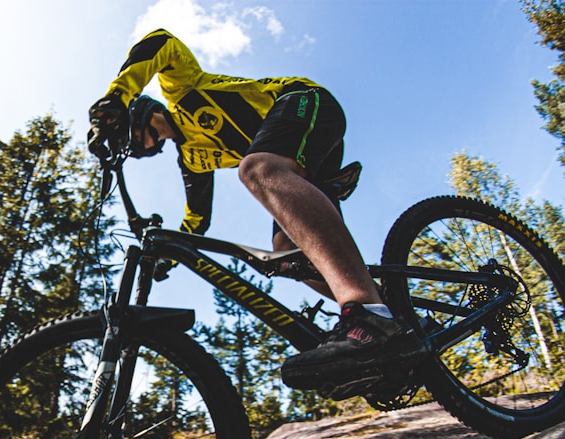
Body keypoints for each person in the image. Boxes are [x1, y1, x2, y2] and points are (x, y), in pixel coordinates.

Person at [88, 29, 424, 399]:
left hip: (302, 101)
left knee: (256, 169)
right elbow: (197, 219)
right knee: (284, 252)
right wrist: (168, 260)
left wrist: (118, 94)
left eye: (135, 140)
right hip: (300, 159)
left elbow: (160, 43)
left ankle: (367, 313)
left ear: (139, 115)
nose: (144, 149)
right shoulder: (193, 159)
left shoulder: (181, 88)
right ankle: (394, 314)